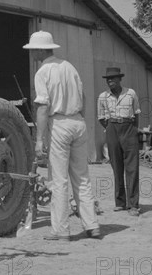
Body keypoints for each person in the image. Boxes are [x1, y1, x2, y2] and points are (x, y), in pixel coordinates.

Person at [24, 30, 101, 240]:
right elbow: (83, 96)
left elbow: (42, 107)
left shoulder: (43, 72)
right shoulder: (69, 67)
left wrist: (39, 139)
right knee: (82, 177)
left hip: (58, 122)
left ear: (40, 50)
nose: (32, 54)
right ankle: (92, 225)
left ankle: (61, 230)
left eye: (33, 50)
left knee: (59, 180)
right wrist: (80, 121)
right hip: (78, 120)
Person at [97, 67, 141, 216]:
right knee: (117, 166)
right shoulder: (103, 97)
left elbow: (136, 114)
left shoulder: (131, 93)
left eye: (113, 78)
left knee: (132, 167)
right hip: (112, 129)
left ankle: (133, 204)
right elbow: (101, 117)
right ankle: (120, 202)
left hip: (129, 128)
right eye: (108, 79)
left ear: (120, 79)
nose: (110, 81)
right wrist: (111, 128)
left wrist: (133, 130)